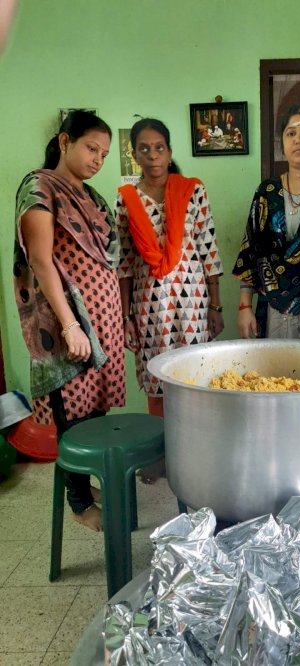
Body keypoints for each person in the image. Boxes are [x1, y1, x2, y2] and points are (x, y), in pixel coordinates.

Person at [14, 110, 125, 532]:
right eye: (90, 148)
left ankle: (84, 482)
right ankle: (78, 502)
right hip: (67, 326)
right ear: (65, 142)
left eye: (104, 152)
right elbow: (41, 260)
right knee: (71, 413)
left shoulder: (93, 198)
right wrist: (69, 325)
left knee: (94, 411)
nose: (98, 158)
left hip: (102, 321)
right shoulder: (40, 186)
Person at [115, 118, 224, 482]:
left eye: (159, 147)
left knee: (193, 377)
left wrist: (216, 306)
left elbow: (209, 249)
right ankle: (160, 456)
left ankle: (196, 454)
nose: (152, 155)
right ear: (134, 155)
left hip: (192, 300)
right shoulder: (126, 199)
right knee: (157, 380)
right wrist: (127, 315)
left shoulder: (192, 191)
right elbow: (125, 262)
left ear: (170, 151)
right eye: (143, 148)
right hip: (149, 306)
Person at [233, 103, 300, 340]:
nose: (298, 139)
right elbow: (251, 252)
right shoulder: (267, 192)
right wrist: (244, 306)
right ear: (282, 143)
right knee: (273, 374)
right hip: (271, 311)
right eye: (291, 133)